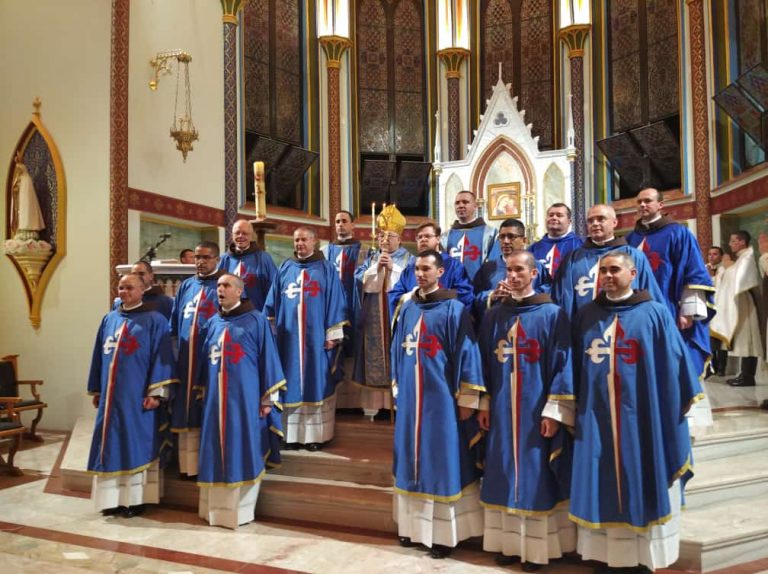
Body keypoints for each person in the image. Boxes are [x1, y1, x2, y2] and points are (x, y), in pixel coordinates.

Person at [570, 251, 703, 573]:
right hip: (596, 415)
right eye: (604, 271)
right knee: (600, 480)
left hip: (643, 417)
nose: (608, 276)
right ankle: (606, 556)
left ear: (633, 274)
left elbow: (676, 365)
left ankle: (642, 557)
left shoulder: (654, 313)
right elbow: (571, 366)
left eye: (615, 270)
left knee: (640, 474)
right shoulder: (587, 315)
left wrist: (674, 409)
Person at [478, 250, 575, 572]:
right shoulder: (494, 316)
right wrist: (484, 403)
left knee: (535, 475)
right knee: (503, 470)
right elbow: (483, 365)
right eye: (509, 270)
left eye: (520, 270)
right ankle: (507, 543)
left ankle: (535, 551)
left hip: (536, 410)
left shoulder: (552, 314)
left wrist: (554, 411)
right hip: (503, 409)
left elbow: (564, 364)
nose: (513, 275)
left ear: (534, 273)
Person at [390, 250, 486, 559]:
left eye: (426, 268)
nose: (420, 273)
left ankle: (444, 535)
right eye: (417, 268)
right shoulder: (406, 308)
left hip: (442, 399)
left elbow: (468, 354)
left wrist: (469, 399)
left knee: (441, 461)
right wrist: (396, 387)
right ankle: (411, 529)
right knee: (410, 460)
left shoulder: (454, 309)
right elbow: (396, 349)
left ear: (440, 272)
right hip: (410, 397)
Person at [196, 273, 286, 529]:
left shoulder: (255, 320)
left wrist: (267, 398)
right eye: (218, 286)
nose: (220, 290)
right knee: (215, 450)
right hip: (215, 401)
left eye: (226, 286)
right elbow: (205, 362)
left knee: (241, 447)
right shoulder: (212, 322)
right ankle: (214, 512)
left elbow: (268, 358)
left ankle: (241, 512)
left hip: (245, 401)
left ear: (239, 291)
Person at [87, 273, 178, 518]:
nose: (123, 292)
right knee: (108, 445)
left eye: (129, 288)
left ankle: (135, 501)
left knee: (135, 445)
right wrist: (97, 388)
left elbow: (163, 359)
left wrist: (156, 394)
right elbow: (98, 355)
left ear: (142, 290)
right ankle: (110, 500)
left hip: (138, 398)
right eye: (120, 287)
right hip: (110, 399)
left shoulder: (155, 320)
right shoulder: (109, 319)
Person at [264, 227, 347, 451]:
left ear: (314, 241)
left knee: (315, 382)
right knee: (289, 382)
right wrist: (270, 333)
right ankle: (290, 436)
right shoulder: (285, 268)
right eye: (296, 240)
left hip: (316, 339)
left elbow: (336, 301)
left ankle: (314, 437)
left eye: (304, 239)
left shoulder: (326, 269)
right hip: (288, 340)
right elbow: (271, 303)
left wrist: (332, 334)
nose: (300, 243)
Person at [625, 188, 715, 379]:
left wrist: (688, 312)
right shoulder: (631, 238)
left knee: (672, 360)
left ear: (660, 205)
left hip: (669, 308)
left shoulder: (679, 233)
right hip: (635, 309)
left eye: (648, 201)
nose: (642, 205)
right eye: (639, 201)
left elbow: (694, 272)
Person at [168, 241, 225, 478]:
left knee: (205, 409)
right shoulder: (186, 286)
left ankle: (206, 465)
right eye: (197, 257)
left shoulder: (224, 285)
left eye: (205, 257)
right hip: (185, 358)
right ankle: (187, 467)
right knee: (185, 408)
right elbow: (175, 321)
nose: (200, 262)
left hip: (210, 358)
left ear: (217, 259)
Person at [352, 205, 413, 419]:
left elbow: (411, 286)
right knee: (374, 358)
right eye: (381, 236)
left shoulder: (409, 260)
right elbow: (362, 282)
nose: (384, 240)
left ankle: (396, 406)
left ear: (400, 239)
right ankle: (376, 408)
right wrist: (377, 268)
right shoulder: (370, 258)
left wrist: (393, 269)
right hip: (374, 317)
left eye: (390, 236)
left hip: (397, 315)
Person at [552, 204, 663, 318]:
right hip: (583, 326)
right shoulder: (573, 259)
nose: (595, 223)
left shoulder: (634, 256)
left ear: (614, 223)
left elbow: (650, 294)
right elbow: (563, 299)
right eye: (590, 221)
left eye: (601, 219)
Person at [321, 210, 364, 409]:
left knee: (354, 348)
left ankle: (354, 401)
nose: (340, 225)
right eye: (337, 221)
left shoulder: (362, 250)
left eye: (344, 221)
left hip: (354, 306)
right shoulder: (325, 251)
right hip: (332, 308)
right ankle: (337, 402)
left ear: (352, 225)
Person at [711, 231, 765, 387]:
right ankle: (745, 374)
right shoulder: (742, 257)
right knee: (744, 341)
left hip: (744, 305)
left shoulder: (747, 256)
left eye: (733, 241)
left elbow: (739, 280)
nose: (730, 244)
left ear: (742, 242)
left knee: (748, 341)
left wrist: (727, 268)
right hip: (740, 303)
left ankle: (748, 376)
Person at [388, 221, 473, 314]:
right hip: (414, 319)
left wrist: (435, 296)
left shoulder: (453, 266)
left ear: (438, 239)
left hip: (442, 320)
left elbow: (465, 294)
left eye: (427, 236)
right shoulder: (410, 269)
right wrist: (412, 295)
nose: (423, 239)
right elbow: (394, 296)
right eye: (419, 237)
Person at [473, 218, 548, 321]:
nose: (506, 241)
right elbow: (474, 297)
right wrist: (492, 295)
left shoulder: (537, 267)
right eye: (502, 237)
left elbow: (548, 294)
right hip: (497, 322)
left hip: (529, 320)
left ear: (524, 240)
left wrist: (524, 294)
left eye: (511, 237)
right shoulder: (487, 268)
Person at [218, 218, 277, 311]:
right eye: (237, 233)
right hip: (229, 315)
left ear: (251, 236)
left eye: (245, 233)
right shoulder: (224, 259)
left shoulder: (263, 258)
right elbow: (215, 287)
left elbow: (273, 287)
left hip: (256, 313)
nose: (241, 236)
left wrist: (268, 313)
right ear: (232, 235)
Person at [444, 190, 498, 281]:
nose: (461, 205)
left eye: (465, 202)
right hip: (453, 290)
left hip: (481, 288)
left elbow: (495, 263)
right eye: (457, 203)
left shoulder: (490, 233)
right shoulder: (445, 236)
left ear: (475, 206)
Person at [529, 203, 583, 277]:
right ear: (545, 220)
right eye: (551, 215)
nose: (554, 218)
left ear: (569, 222)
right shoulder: (533, 248)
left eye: (559, 215)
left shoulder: (580, 245)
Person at [10, 155, 46, 239]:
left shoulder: (26, 180)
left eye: (18, 170)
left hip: (25, 204)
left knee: (27, 213)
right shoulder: (20, 179)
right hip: (20, 206)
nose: (17, 172)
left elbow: (27, 197)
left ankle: (28, 227)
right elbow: (15, 191)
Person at [706, 246, 728, 377]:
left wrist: (712, 276)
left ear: (721, 256)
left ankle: (722, 367)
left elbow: (722, 287)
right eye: (709, 254)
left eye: (715, 254)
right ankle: (710, 367)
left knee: (721, 338)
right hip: (708, 308)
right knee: (709, 339)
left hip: (722, 307)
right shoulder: (704, 268)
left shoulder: (724, 269)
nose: (711, 257)